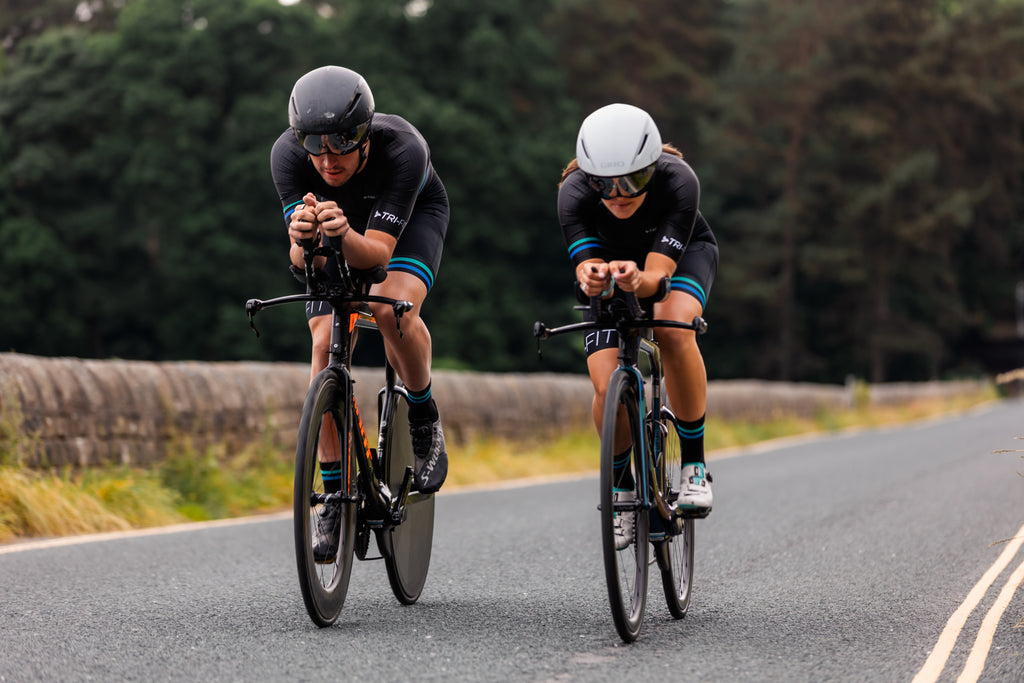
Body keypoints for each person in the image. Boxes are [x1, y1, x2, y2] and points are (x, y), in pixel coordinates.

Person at [271, 65, 449, 560]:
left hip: (404, 224)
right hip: (336, 229)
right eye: (315, 143)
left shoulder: (403, 149)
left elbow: (376, 257)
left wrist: (342, 235)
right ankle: (332, 493)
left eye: (342, 142)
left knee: (389, 309)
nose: (327, 158)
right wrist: (304, 239)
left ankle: (422, 411)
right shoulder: (287, 155)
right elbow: (299, 260)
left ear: (365, 134)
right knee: (322, 340)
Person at [557, 103, 718, 549]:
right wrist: (592, 275)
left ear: (652, 167)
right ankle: (622, 483)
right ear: (587, 178)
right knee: (607, 385)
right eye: (604, 185)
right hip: (612, 272)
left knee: (671, 328)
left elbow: (656, 280)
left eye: (633, 180)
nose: (619, 194)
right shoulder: (572, 193)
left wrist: (635, 279)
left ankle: (694, 466)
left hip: (678, 261)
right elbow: (587, 267)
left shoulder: (679, 180)